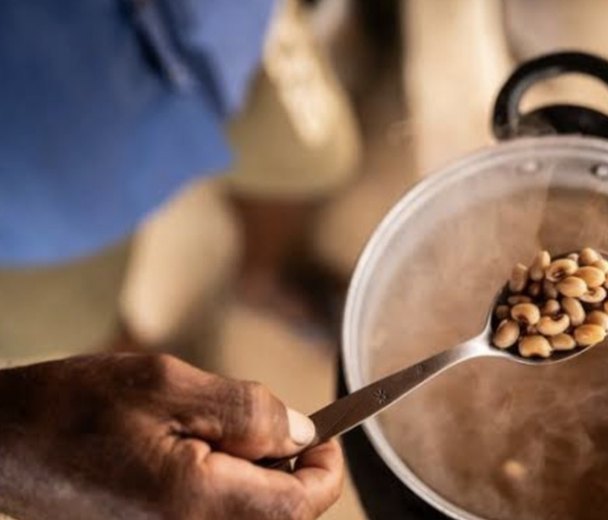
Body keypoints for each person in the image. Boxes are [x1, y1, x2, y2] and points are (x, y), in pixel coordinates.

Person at [0, 1, 348, 518]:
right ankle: (155, 395)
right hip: (28, 181)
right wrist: (16, 438)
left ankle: (264, 274)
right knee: (82, 341)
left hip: (225, 32)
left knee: (311, 161)